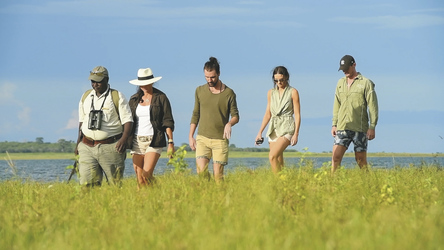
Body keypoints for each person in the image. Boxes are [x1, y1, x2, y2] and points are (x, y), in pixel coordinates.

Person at [75, 66, 133, 187]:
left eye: (98, 81)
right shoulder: (86, 96)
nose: (95, 84)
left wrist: (124, 139)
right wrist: (78, 144)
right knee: (87, 184)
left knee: (115, 184)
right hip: (87, 146)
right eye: (93, 81)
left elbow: (128, 120)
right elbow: (82, 122)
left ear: (107, 79)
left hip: (111, 146)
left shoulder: (116, 96)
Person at [189, 57, 240, 181]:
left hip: (220, 140)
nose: (209, 80)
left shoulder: (229, 93)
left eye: (212, 77)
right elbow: (196, 114)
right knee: (201, 173)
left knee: (218, 177)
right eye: (206, 77)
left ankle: (220, 198)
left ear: (218, 73)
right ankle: (206, 196)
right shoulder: (199, 90)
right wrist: (191, 136)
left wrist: (229, 124)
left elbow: (236, 116)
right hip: (202, 138)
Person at [128, 68, 175, 188]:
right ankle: (144, 201)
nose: (143, 85)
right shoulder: (133, 100)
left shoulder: (161, 97)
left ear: (152, 82)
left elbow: (167, 121)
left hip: (154, 140)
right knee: (139, 177)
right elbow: (128, 121)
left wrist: (170, 142)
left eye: (146, 82)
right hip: (136, 141)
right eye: (141, 83)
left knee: (146, 173)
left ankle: (159, 190)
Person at [331, 55, 379, 173]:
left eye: (347, 68)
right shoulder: (340, 83)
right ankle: (331, 184)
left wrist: (372, 126)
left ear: (354, 65)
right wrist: (334, 124)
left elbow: (373, 106)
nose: (345, 71)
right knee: (335, 157)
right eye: (343, 69)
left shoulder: (366, 83)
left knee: (360, 159)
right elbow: (337, 103)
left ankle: (367, 183)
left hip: (360, 127)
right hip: (342, 126)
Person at [255, 66, 301, 173]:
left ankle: (277, 182)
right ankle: (283, 184)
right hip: (273, 127)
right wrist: (260, 132)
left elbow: (297, 114)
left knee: (272, 156)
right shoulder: (271, 93)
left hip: (287, 127)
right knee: (279, 161)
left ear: (286, 77)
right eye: (276, 80)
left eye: (281, 80)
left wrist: (296, 134)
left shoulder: (293, 92)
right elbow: (268, 114)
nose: (279, 82)